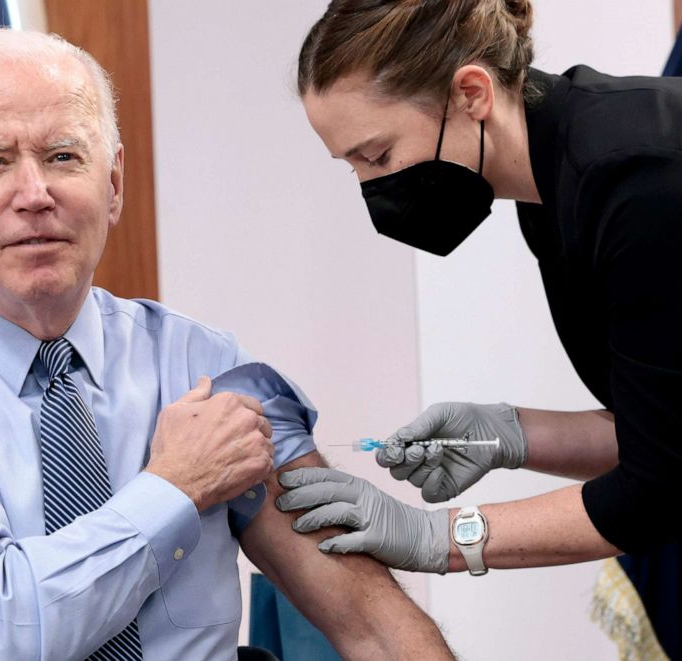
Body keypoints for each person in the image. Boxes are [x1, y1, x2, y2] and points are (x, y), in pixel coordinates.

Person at [0, 28, 453, 660]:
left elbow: (372, 622)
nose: (35, 195)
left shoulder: (210, 368)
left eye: (63, 156)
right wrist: (173, 486)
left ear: (112, 184)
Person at [279, 0, 682, 633]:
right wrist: (507, 434)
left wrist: (436, 537)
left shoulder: (636, 182)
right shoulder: (553, 187)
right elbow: (665, 430)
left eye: (378, 156)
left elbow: (659, 491)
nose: (369, 187)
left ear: (471, 93)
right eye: (352, 165)